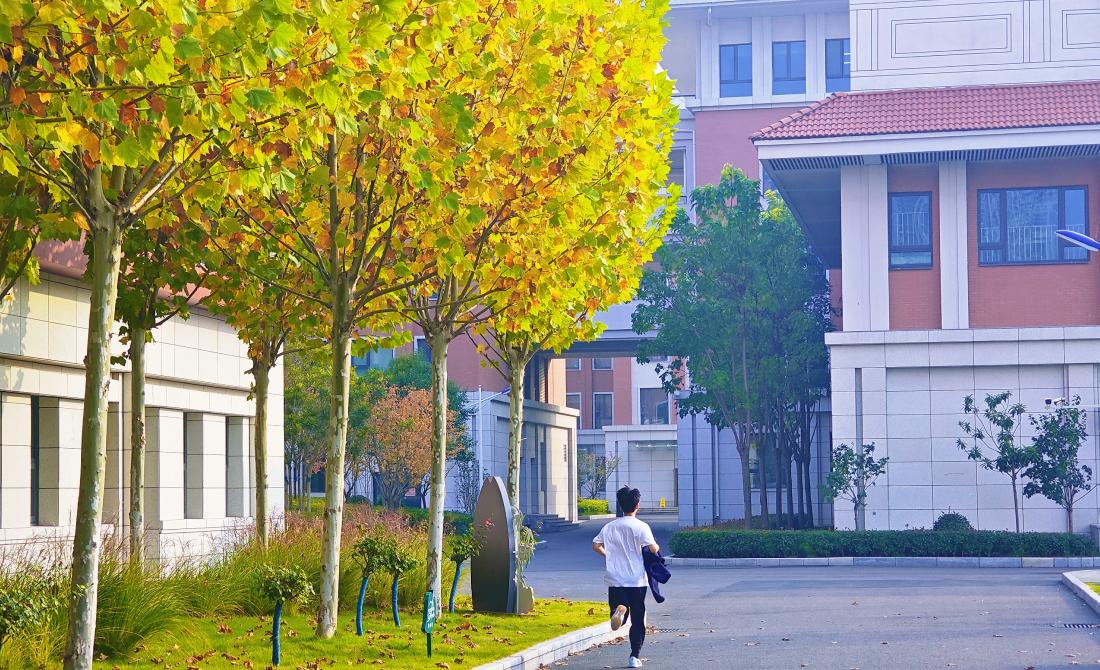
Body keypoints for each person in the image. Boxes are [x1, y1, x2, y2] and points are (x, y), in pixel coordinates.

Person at [592, 486, 659, 669]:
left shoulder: (609, 527)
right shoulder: (641, 526)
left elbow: (596, 545)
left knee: (618, 608)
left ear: (620, 505)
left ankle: (619, 612)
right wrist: (655, 548)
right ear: (638, 505)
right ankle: (634, 657)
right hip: (636, 579)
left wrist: (608, 555)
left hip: (615, 577)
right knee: (638, 619)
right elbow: (653, 549)